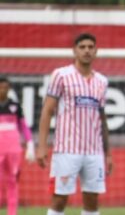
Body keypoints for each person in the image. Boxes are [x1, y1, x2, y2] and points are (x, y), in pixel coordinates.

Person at [37, 33, 113, 215]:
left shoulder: (102, 82)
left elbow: (102, 119)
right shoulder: (61, 76)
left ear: (96, 51)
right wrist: (41, 146)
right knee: (59, 199)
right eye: (82, 47)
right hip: (67, 150)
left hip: (94, 152)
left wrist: (108, 153)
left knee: (92, 200)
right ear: (74, 50)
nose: (87, 51)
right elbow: (47, 111)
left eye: (90, 47)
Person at [0, 76, 35, 215]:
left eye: (5, 87)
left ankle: (12, 213)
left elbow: (24, 126)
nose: (2, 90)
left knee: (12, 180)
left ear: (9, 88)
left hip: (13, 149)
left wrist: (30, 144)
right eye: (0, 87)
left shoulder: (15, 106)